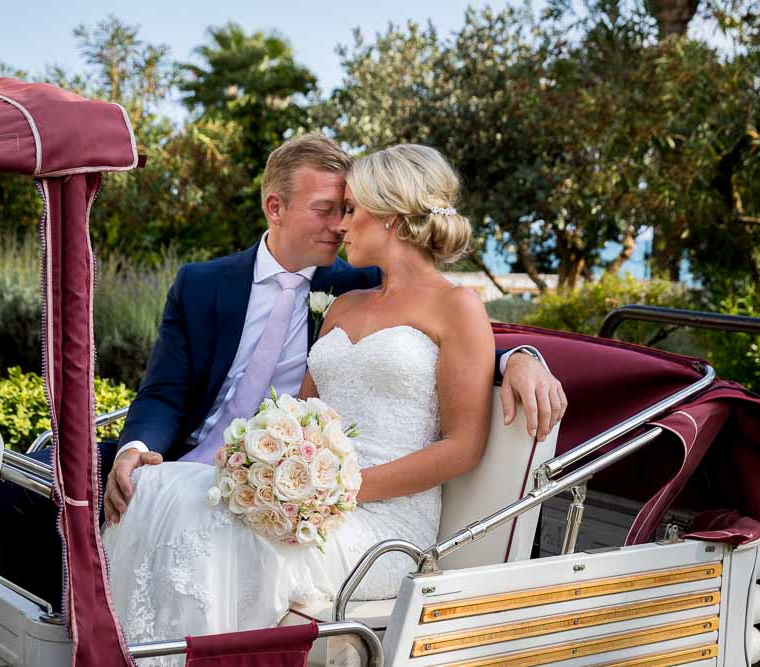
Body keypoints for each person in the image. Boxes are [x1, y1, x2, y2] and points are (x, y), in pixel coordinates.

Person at [102, 144, 550, 660]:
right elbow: (298, 418)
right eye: (331, 210)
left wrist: (521, 355)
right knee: (162, 490)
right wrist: (275, 478)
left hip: (382, 516)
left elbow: (463, 445)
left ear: (390, 218)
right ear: (276, 207)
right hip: (307, 492)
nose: (342, 225)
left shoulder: (455, 306)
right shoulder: (343, 302)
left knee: (217, 528)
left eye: (352, 209)